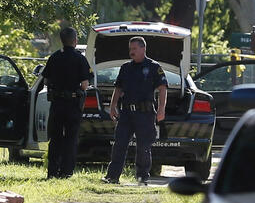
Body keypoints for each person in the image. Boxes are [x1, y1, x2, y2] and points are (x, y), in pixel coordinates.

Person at [103, 36, 167, 185]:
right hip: (126, 113)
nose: (131, 51)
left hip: (145, 113)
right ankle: (112, 177)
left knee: (143, 147)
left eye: (134, 49)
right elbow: (118, 88)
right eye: (130, 49)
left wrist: (161, 109)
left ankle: (142, 178)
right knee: (119, 144)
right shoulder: (126, 67)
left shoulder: (153, 67)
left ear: (143, 49)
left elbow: (162, 88)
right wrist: (113, 106)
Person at [41, 27, 92, 179]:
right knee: (71, 138)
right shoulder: (80, 59)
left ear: (61, 40)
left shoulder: (54, 57)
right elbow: (85, 84)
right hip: (73, 104)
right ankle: (66, 172)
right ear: (75, 40)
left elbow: (46, 80)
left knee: (55, 138)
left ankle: (52, 171)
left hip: (57, 103)